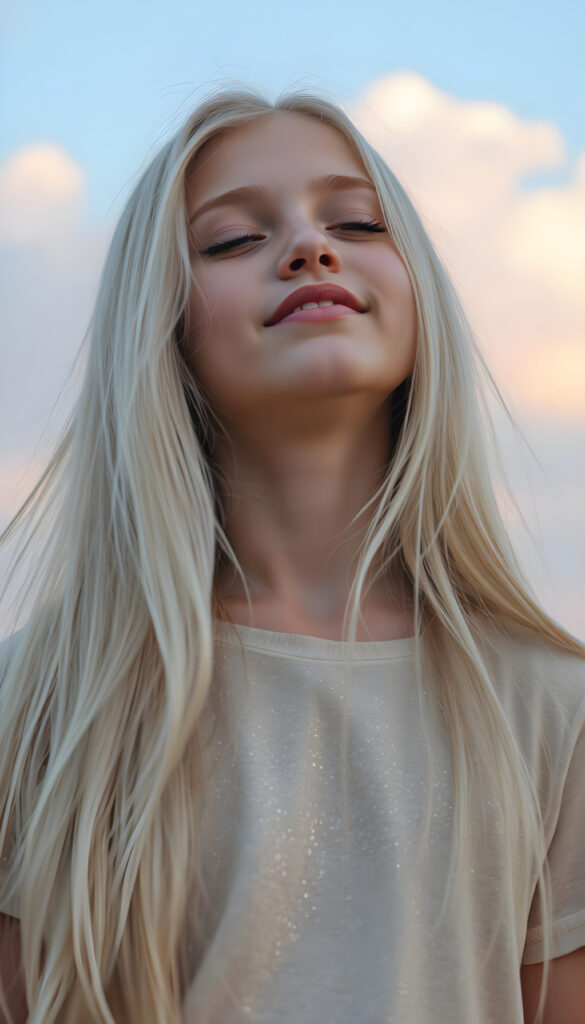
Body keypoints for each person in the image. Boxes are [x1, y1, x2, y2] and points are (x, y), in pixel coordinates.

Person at [0, 88, 584, 1024]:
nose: (311, 249)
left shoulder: (553, 707)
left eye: (355, 222)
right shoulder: (45, 699)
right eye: (231, 239)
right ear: (159, 328)